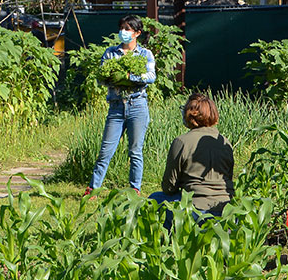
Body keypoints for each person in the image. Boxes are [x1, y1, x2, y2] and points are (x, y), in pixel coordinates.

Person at [85, 15, 156, 195]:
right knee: (105, 151)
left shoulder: (145, 54)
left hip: (138, 106)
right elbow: (102, 78)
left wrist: (129, 77)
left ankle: (135, 189)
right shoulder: (110, 53)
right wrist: (116, 78)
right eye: (122, 28)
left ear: (137, 33)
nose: (123, 32)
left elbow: (150, 77)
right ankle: (93, 188)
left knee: (135, 151)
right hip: (116, 107)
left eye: (128, 29)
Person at [149, 93, 234, 222]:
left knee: (154, 199)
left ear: (189, 115)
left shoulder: (182, 142)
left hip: (196, 207)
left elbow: (169, 186)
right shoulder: (225, 142)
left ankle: (170, 238)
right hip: (225, 207)